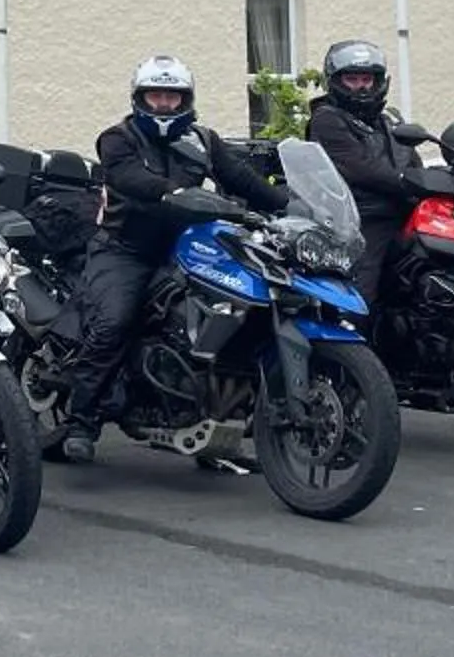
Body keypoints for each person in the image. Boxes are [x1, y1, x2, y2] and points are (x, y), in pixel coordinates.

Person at [52, 54, 287, 465]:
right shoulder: (117, 137)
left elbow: (243, 179)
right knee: (115, 322)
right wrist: (170, 192)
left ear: (186, 100)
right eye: (155, 95)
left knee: (240, 312)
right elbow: (127, 177)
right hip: (125, 249)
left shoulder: (204, 140)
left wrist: (289, 204)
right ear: (140, 97)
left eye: (172, 97)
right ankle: (81, 419)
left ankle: (213, 418)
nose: (163, 104)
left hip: (189, 246)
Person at [303, 39, 429, 310]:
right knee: (360, 299)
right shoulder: (327, 119)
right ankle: (355, 339)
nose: (361, 86)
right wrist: (411, 183)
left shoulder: (389, 120)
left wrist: (443, 180)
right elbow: (362, 169)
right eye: (352, 79)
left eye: (367, 79)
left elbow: (412, 160)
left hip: (404, 211)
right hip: (361, 219)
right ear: (336, 81)